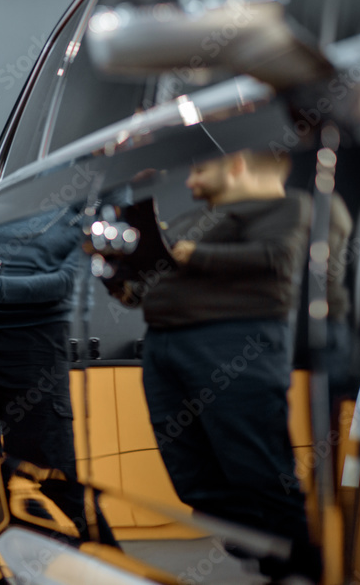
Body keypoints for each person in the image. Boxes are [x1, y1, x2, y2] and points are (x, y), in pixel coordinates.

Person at [112, 150, 320, 581]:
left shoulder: (288, 206)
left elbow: (277, 259)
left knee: (258, 470)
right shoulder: (194, 219)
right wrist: (122, 281)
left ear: (237, 164)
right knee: (193, 479)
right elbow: (152, 280)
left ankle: (304, 571)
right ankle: (269, 559)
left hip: (234, 342)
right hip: (164, 346)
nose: (189, 181)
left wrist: (191, 255)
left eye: (199, 168)